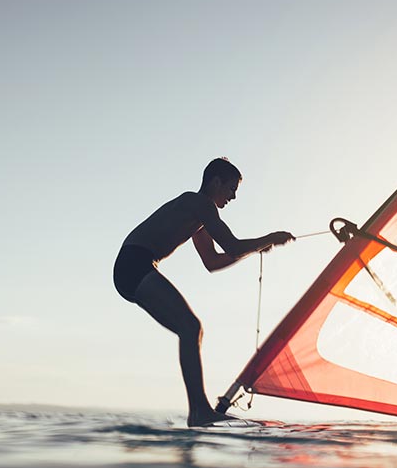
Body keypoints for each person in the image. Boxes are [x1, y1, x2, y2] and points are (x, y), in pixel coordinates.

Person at [114, 158, 294, 426]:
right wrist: (269, 239)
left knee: (190, 328)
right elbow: (232, 246)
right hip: (134, 263)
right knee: (190, 327)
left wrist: (256, 248)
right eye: (231, 189)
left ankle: (199, 410)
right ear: (215, 182)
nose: (233, 197)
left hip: (133, 267)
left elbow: (213, 261)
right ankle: (199, 411)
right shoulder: (199, 203)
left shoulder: (198, 217)